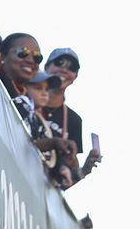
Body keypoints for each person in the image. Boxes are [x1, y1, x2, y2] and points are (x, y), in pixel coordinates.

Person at [44, 47, 103, 180]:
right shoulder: (26, 98)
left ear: (75, 77)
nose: (64, 70)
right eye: (59, 63)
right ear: (46, 66)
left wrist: (84, 170)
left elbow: (64, 182)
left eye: (72, 68)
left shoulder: (73, 120)